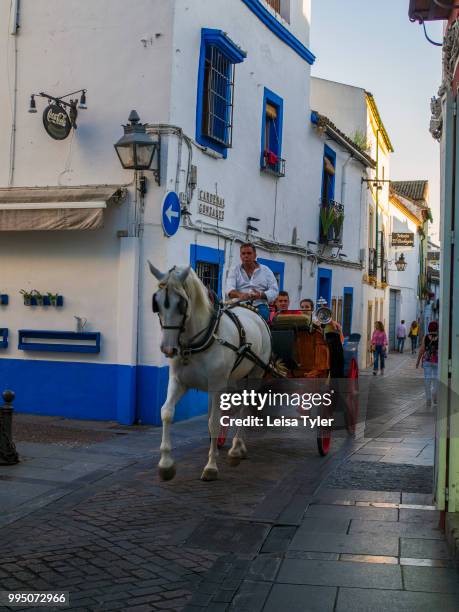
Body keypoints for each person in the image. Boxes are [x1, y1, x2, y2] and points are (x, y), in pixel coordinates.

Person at [226, 243, 278, 321]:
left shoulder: (266, 270)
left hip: (260, 306)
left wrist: (260, 295)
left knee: (261, 319)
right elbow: (229, 290)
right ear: (240, 256)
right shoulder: (234, 270)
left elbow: (274, 291)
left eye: (249, 253)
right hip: (239, 305)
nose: (246, 256)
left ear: (255, 255)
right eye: (243, 254)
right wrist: (240, 295)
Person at [416, 320, 439, 408]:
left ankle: (428, 398)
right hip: (437, 361)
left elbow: (422, 350)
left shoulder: (425, 337)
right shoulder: (440, 337)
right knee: (436, 378)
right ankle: (434, 394)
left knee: (427, 379)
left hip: (427, 360)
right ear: (437, 328)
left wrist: (418, 361)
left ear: (429, 328)